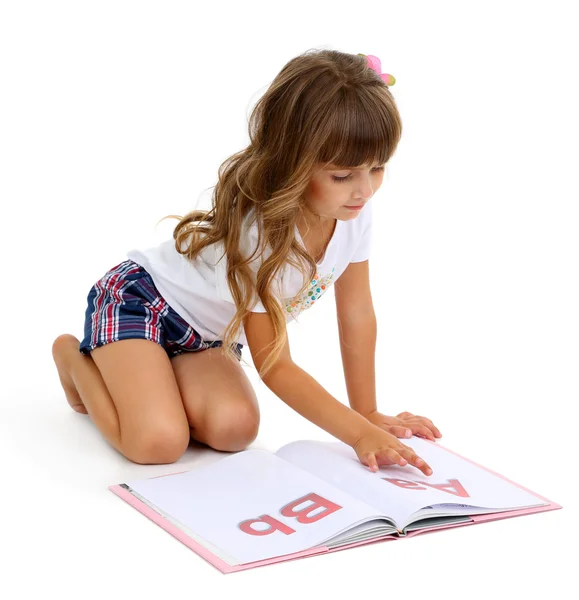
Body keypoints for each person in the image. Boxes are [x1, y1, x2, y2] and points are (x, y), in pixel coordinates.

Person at [52, 49, 442, 474]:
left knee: (234, 429)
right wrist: (356, 434)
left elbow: (357, 314)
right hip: (141, 304)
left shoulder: (352, 215)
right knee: (157, 443)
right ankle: (75, 357)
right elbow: (275, 365)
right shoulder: (261, 235)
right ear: (293, 162)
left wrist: (368, 413)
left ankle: (156, 372)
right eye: (342, 175)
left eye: (378, 168)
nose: (364, 191)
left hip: (206, 338)